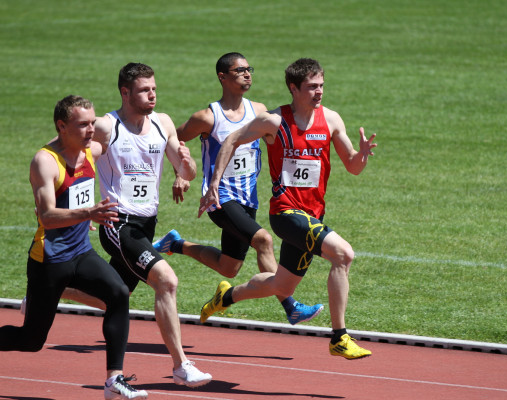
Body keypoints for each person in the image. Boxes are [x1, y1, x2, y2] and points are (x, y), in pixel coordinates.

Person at [198, 58, 377, 360]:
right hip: (286, 213)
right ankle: (339, 337)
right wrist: (214, 183)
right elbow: (231, 140)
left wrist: (362, 154)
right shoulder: (274, 121)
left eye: (321, 85)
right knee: (343, 254)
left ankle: (226, 296)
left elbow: (353, 166)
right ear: (293, 88)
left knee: (280, 284)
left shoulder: (331, 119)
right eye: (311, 87)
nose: (319, 92)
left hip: (313, 215)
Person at [65, 63, 212, 387]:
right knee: (166, 281)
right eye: (145, 90)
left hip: (146, 224)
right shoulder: (107, 126)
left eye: (154, 89)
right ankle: (181, 365)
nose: (152, 95)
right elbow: (66, 147)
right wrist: (79, 210)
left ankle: (50, 291)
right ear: (125, 92)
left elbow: (185, 171)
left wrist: (186, 166)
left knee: (114, 296)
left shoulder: (163, 123)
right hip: (118, 224)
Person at [152, 52, 323, 325]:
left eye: (249, 69)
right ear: (222, 77)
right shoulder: (208, 117)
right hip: (219, 198)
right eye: (239, 70)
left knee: (228, 267)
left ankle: (175, 244)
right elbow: (174, 139)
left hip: (248, 198)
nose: (247, 74)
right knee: (263, 240)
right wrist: (181, 174)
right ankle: (290, 306)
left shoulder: (260, 111)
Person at [0, 95, 148, 399]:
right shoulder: (45, 162)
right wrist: (88, 213)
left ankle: (114, 380)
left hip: (80, 253)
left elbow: (118, 137)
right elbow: (46, 217)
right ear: (61, 126)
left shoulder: (90, 150)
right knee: (32, 340)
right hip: (50, 260)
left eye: (92, 123)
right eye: (83, 124)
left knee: (119, 293)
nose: (91, 130)